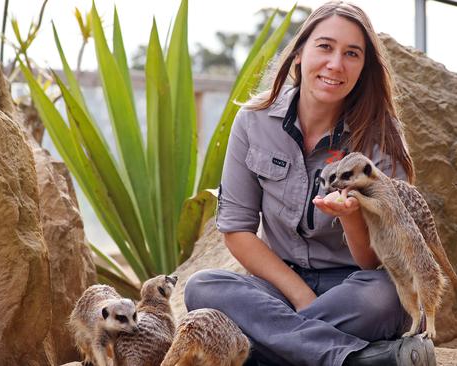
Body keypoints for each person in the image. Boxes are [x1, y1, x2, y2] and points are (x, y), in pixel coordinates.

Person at [184, 2, 435, 365]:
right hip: (278, 287)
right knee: (202, 287)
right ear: (300, 52)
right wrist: (302, 298)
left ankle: (270, 353)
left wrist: (351, 216)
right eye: (325, 47)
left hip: (354, 289)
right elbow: (237, 231)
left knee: (386, 297)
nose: (336, 64)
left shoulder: (382, 139)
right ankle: (354, 360)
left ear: (364, 68)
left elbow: (375, 261)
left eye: (352, 54)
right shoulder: (253, 122)